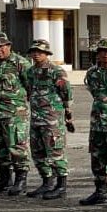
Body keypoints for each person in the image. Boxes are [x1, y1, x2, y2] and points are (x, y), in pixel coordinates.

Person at [0, 31, 31, 196]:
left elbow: (31, 86)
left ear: (8, 46)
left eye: (1, 46)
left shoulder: (20, 63)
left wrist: (20, 106)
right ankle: (4, 179)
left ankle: (21, 180)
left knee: (17, 147)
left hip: (14, 115)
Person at [24, 39, 73, 200]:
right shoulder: (30, 72)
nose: (36, 54)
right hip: (36, 117)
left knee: (55, 150)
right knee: (38, 151)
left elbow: (66, 91)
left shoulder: (56, 71)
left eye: (40, 52)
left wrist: (67, 112)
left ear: (47, 54)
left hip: (52, 118)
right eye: (34, 52)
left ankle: (61, 185)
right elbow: (29, 89)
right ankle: (46, 182)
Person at [79, 39, 107, 205]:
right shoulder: (92, 73)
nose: (105, 55)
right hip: (97, 121)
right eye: (102, 51)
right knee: (97, 157)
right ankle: (100, 191)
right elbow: (93, 93)